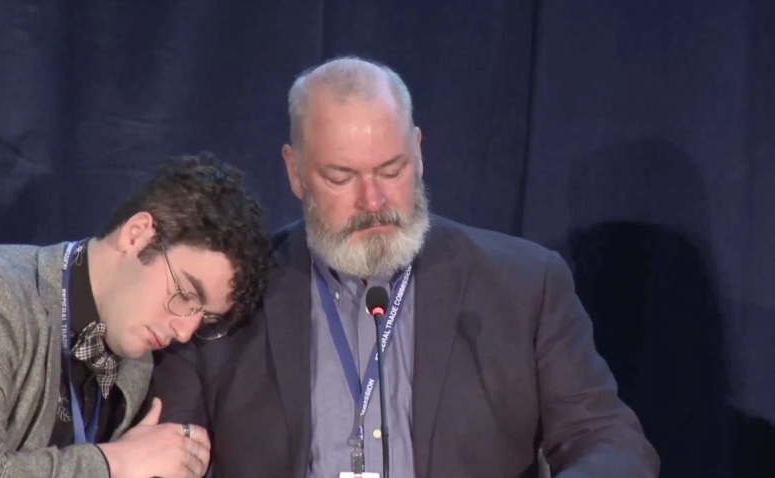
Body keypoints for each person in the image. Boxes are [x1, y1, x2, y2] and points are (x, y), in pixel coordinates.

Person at [149, 58, 661, 477]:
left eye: (391, 170)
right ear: (295, 172)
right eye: (341, 176)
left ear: (418, 151)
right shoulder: (231, 292)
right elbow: (165, 450)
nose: (374, 201)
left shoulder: (524, 286)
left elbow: (609, 441)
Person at [0, 151, 272, 478]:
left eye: (205, 318)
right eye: (184, 295)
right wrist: (117, 461)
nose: (184, 332)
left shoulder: (137, 366)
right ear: (136, 235)